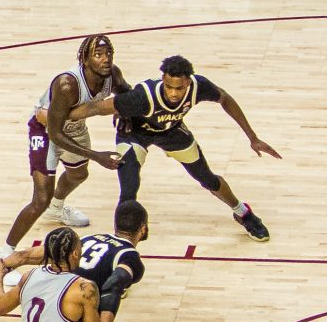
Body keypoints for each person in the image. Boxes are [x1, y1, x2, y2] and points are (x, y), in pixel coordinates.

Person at [69, 53, 275, 237]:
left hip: (171, 130)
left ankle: (242, 213)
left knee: (207, 179)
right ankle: (121, 240)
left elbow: (225, 98)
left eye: (179, 88)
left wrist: (253, 137)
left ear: (188, 82)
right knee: (129, 189)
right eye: (169, 87)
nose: (174, 93)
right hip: (135, 133)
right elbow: (97, 108)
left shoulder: (199, 86)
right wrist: (58, 117)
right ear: (163, 80)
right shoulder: (142, 97)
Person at [5, 32, 120, 245]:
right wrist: (97, 156)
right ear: (85, 59)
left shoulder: (112, 75)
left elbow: (126, 94)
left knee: (78, 174)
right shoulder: (68, 84)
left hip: (74, 128)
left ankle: (56, 210)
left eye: (109, 53)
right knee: (40, 199)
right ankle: (4, 253)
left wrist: (125, 114)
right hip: (46, 130)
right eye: (98, 54)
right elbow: (56, 134)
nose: (105, 58)